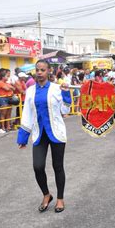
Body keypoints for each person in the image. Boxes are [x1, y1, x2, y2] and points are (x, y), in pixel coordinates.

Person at [17, 60, 72, 213]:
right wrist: (23, 137)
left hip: (56, 133)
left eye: (42, 70)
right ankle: (47, 195)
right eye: (37, 70)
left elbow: (65, 110)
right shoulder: (30, 91)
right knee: (38, 166)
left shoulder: (56, 88)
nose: (39, 72)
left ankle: (60, 199)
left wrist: (66, 94)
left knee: (57, 166)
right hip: (39, 133)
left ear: (49, 72)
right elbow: (27, 113)